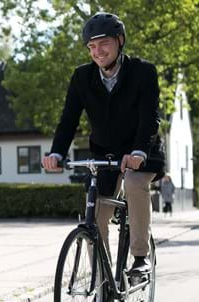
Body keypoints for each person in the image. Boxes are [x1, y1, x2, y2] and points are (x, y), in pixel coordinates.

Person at [41, 12, 165, 275]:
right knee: (95, 215)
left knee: (134, 182)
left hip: (141, 150)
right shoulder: (81, 78)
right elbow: (68, 120)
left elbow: (149, 116)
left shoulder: (143, 72)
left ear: (120, 41)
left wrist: (139, 151)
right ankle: (103, 280)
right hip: (105, 153)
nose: (97, 51)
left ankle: (141, 257)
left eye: (103, 43)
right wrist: (56, 153)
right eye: (91, 47)